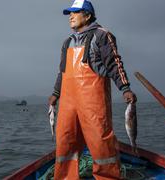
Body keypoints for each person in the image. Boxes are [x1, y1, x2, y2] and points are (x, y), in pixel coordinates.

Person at [48, 0, 137, 179]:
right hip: (67, 103)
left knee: (100, 143)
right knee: (65, 141)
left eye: (75, 12)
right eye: (69, 13)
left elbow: (114, 64)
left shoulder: (102, 35)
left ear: (87, 15)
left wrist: (125, 88)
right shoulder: (67, 42)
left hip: (93, 103)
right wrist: (56, 93)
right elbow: (62, 72)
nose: (71, 17)